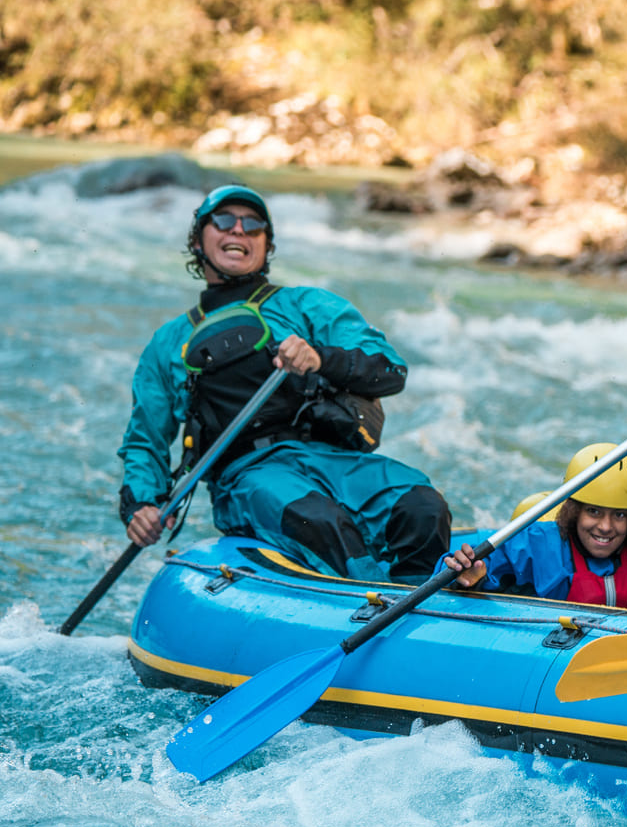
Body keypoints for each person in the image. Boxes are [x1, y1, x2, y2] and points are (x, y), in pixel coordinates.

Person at [119, 185, 451, 583]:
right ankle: (373, 601)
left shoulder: (307, 306)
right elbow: (146, 440)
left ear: (266, 244)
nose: (239, 231)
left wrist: (320, 358)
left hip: (331, 460)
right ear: (198, 239)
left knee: (421, 506)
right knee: (317, 521)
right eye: (224, 220)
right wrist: (142, 503)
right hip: (246, 476)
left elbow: (390, 370)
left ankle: (421, 610)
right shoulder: (169, 342)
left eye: (253, 225)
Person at [439, 406, 627, 617]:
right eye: (594, 512)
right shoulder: (537, 543)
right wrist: (468, 575)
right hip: (553, 652)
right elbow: (464, 568)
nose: (606, 527)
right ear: (573, 511)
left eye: (620, 514)